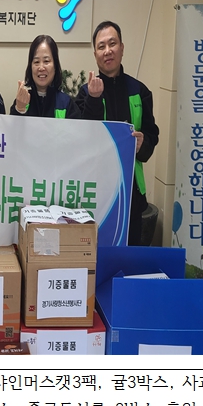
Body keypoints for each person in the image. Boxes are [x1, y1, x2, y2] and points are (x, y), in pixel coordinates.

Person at [74, 20, 159, 246]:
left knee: (129, 256)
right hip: (93, 193)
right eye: (101, 46)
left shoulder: (139, 91)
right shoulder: (85, 93)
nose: (107, 51)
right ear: (95, 54)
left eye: (112, 44)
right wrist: (93, 99)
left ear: (122, 48)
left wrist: (143, 144)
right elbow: (80, 137)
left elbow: (152, 135)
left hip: (131, 194)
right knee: (94, 255)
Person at [10, 34, 81, 119]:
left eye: (46, 61)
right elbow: (12, 127)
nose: (41, 68)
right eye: (36, 62)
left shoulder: (67, 103)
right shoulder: (22, 100)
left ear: (55, 66)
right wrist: (20, 109)